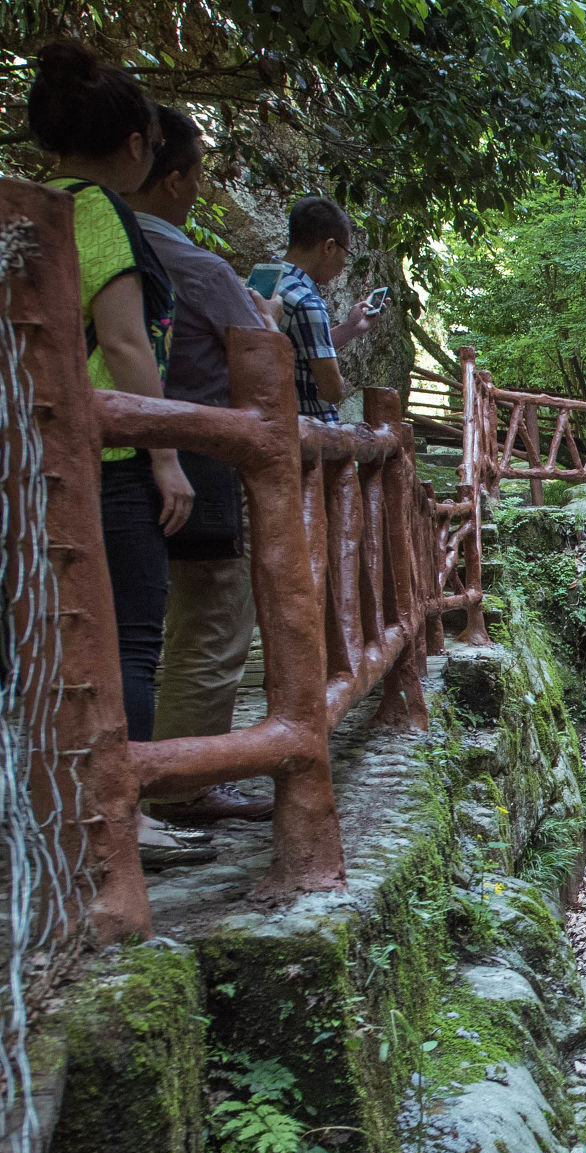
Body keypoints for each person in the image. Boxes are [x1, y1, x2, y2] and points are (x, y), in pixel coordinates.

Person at [28, 42, 211, 868]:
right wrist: (166, 455)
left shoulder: (23, 206)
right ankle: (122, 818)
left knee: (48, 640)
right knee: (129, 639)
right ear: (137, 144)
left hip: (34, 460)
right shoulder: (97, 213)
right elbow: (128, 349)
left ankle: (55, 815)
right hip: (108, 461)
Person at [127, 104, 276, 825]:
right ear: (176, 176)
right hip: (202, 457)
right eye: (195, 174)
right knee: (212, 623)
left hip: (104, 460)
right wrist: (266, 315)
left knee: (130, 628)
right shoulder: (193, 265)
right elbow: (263, 361)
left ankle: (136, 780)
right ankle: (183, 781)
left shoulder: (83, 242)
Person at [273, 196, 377, 425]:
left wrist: (351, 328)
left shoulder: (264, 278)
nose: (343, 265)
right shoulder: (307, 301)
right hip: (305, 438)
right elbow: (333, 390)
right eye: (346, 254)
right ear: (329, 246)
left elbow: (297, 347)